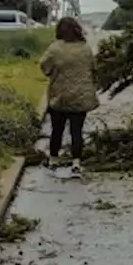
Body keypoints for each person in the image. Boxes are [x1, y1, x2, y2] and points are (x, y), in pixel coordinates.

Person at [40, 17, 99, 177]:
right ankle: (76, 164)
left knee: (57, 130)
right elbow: (94, 68)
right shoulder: (85, 49)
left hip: (60, 96)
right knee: (76, 131)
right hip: (80, 97)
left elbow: (45, 67)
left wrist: (53, 73)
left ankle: (53, 160)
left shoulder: (54, 49)